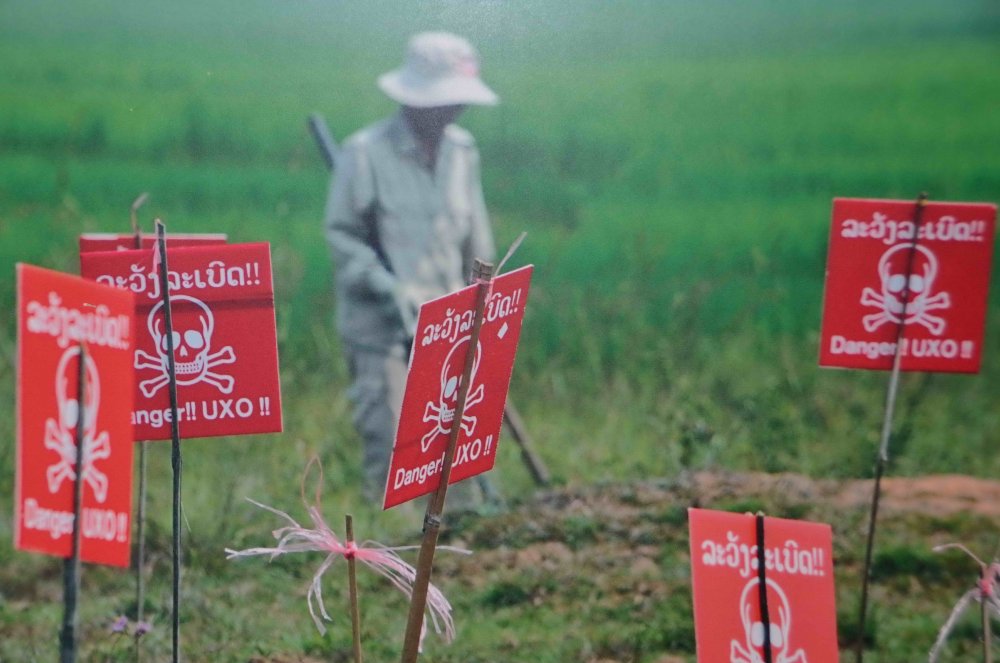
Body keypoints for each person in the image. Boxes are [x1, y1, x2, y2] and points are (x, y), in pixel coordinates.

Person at [324, 32, 499, 504]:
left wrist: (484, 303)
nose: (453, 113)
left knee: (453, 442)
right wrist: (386, 285)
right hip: (381, 327)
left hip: (446, 323)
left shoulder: (463, 152)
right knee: (392, 437)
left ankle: (458, 543)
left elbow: (476, 240)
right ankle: (384, 554)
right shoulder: (364, 153)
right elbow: (342, 236)